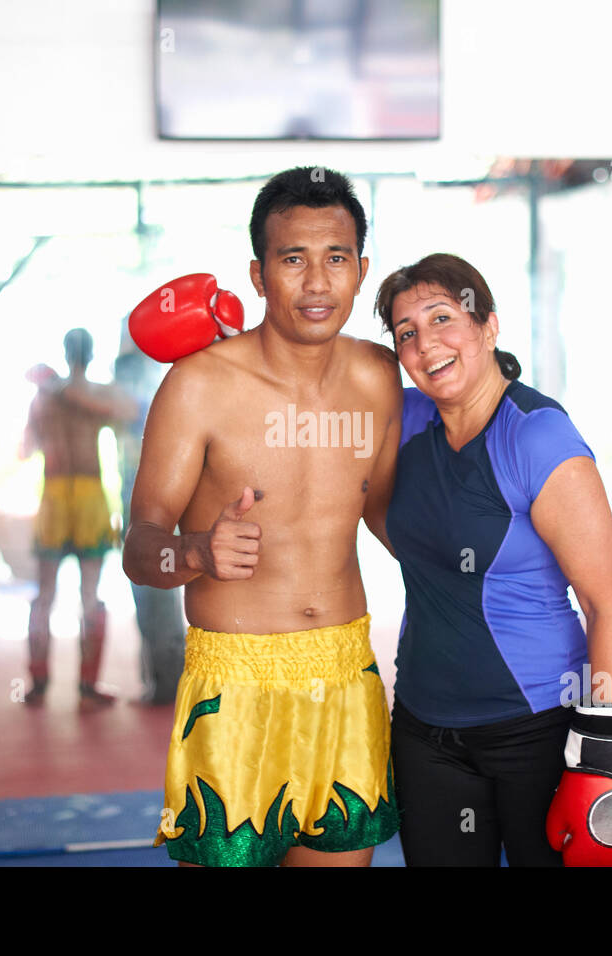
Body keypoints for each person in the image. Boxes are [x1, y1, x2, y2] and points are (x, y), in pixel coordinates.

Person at [123, 166, 403, 867]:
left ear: (362, 270)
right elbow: (138, 548)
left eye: (336, 258)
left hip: (346, 675)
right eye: (292, 260)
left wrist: (484, 559)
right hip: (234, 683)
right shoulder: (198, 387)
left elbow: (388, 515)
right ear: (258, 274)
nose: (317, 283)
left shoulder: (379, 377)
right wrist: (195, 553)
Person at [369, 253, 612, 866]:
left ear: (488, 326)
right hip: (423, 723)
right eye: (406, 332)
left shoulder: (538, 437)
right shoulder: (407, 422)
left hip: (537, 727)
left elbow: (608, 604)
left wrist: (606, 752)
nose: (425, 343)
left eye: (443, 318)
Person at [21, 328, 137, 706]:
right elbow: (129, 414)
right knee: (88, 594)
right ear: (90, 354)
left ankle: (40, 682)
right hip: (84, 496)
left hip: (57, 496)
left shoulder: (50, 396)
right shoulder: (90, 393)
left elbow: (25, 448)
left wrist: (58, 391)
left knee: (46, 594)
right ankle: (86, 686)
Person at [114, 333, 186, 705]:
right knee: (158, 590)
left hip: (145, 495)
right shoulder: (156, 378)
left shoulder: (136, 378)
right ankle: (163, 678)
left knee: (154, 590)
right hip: (151, 493)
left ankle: (165, 680)